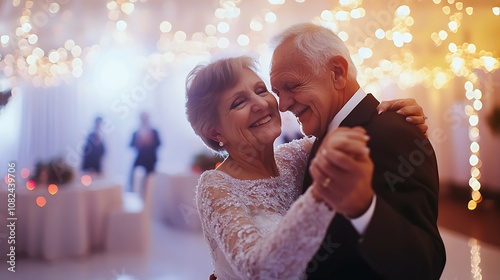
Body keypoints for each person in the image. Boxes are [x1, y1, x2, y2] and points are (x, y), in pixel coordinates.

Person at [185, 56, 428, 279]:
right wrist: (322, 193)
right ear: (215, 132)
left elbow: (355, 127)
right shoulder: (216, 186)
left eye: (261, 90)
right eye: (239, 103)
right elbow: (258, 270)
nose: (261, 103)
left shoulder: (298, 155)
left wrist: (393, 120)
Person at [270, 22, 445, 279]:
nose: (283, 105)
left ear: (338, 73)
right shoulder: (322, 133)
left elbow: (426, 265)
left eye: (292, 86)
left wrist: (364, 209)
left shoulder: (393, 133)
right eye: (277, 92)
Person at [129, 112, 161, 194]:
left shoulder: (154, 132)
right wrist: (138, 142)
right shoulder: (136, 132)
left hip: (151, 160)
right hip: (141, 159)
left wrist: (150, 142)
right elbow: (130, 145)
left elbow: (159, 143)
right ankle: (134, 192)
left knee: (151, 181)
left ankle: (150, 196)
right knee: (133, 176)